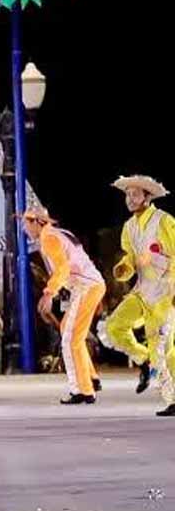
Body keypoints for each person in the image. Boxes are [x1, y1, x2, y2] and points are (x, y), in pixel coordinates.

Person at [99, 176, 175, 416]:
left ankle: (172, 398)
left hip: (165, 294)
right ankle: (144, 360)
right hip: (142, 292)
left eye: (134, 194)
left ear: (147, 196)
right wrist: (124, 268)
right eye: (127, 194)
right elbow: (131, 258)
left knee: (163, 347)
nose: (129, 199)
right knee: (112, 328)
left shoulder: (164, 221)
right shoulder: (129, 227)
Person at [22, 208, 105, 404]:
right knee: (70, 332)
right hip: (89, 285)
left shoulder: (48, 238)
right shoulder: (60, 233)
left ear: (37, 222)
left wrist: (49, 293)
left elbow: (63, 268)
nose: (24, 228)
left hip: (86, 287)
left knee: (70, 339)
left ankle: (81, 390)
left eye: (26, 223)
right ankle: (90, 379)